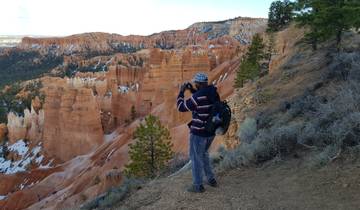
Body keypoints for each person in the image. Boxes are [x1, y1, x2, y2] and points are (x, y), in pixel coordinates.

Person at [177, 72, 220, 193]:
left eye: (196, 83)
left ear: (200, 84)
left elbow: (181, 107)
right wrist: (192, 90)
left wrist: (181, 92)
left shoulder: (198, 97)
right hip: (210, 131)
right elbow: (202, 99)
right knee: (204, 154)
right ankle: (211, 179)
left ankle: (198, 185)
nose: (195, 84)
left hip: (199, 133)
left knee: (196, 158)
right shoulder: (213, 92)